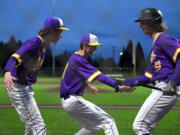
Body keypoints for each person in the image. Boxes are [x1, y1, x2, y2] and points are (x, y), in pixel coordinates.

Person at [4, 17, 69, 135]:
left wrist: (17, 99)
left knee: (30, 127)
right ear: (52, 31)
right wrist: (8, 72)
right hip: (19, 88)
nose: (61, 35)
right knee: (39, 127)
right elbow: (14, 57)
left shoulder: (43, 46)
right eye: (60, 32)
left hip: (23, 89)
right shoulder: (35, 42)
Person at [120, 8, 180, 135]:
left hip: (166, 87)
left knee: (139, 126)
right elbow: (148, 77)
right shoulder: (155, 45)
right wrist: (126, 81)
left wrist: (174, 82)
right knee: (145, 128)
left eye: (143, 22)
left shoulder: (162, 39)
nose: (141, 25)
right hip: (160, 87)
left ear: (153, 22)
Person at [60, 33, 134, 135]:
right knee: (109, 121)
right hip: (73, 101)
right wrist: (118, 87)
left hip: (69, 101)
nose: (95, 49)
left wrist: (88, 86)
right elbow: (100, 76)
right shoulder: (78, 59)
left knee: (91, 128)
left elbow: (73, 79)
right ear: (85, 46)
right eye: (93, 47)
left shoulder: (75, 57)